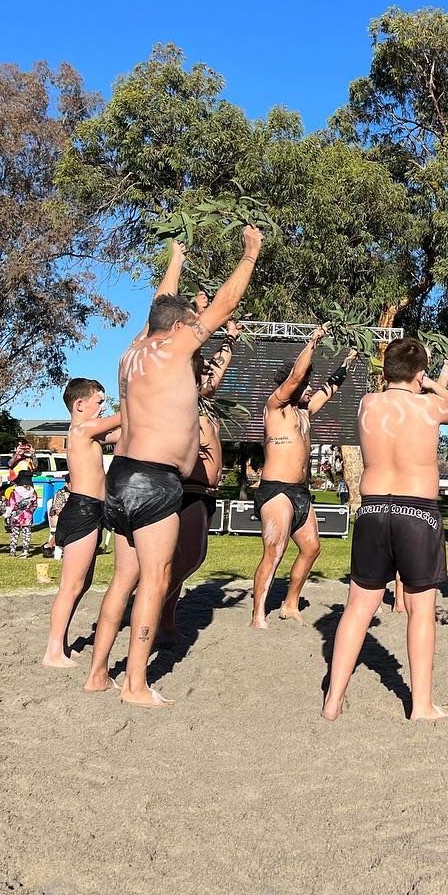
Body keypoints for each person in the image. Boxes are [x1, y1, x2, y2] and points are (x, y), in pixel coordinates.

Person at [84, 229, 263, 707]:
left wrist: (176, 258)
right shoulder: (174, 349)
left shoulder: (131, 353)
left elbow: (157, 304)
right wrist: (249, 255)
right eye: (190, 323)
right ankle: (135, 684)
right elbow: (222, 306)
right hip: (155, 478)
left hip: (120, 475)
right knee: (156, 578)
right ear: (181, 325)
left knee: (123, 578)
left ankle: (98, 672)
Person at [321, 338, 448, 722]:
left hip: (372, 509)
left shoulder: (368, 403)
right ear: (418, 375)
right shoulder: (429, 405)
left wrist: (413, 378)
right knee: (421, 610)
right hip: (416, 511)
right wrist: (432, 383)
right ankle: (421, 705)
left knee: (357, 608)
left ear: (385, 372)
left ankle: (333, 699)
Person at [250, 327, 357, 626]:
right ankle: (258, 613)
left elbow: (331, 388)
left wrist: (349, 359)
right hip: (276, 491)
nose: (310, 387)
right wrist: (313, 342)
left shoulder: (304, 412)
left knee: (311, 549)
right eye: (306, 382)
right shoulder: (275, 407)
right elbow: (297, 377)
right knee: (275, 550)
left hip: (300, 493)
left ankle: (290, 603)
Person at [162, 320, 239, 639]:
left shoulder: (204, 401)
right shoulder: (182, 401)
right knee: (189, 558)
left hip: (206, 492)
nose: (209, 371)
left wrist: (230, 342)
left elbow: (217, 371)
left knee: (182, 560)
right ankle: (152, 609)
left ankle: (164, 620)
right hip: (189, 491)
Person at [41, 378, 122, 668]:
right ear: (79, 405)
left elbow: (123, 432)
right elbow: (126, 417)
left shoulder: (91, 434)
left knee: (83, 583)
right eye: (99, 402)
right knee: (71, 585)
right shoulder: (82, 428)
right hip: (83, 510)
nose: (103, 408)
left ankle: (60, 643)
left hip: (94, 510)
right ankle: (52, 652)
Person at [4, 471, 38, 557]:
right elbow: (35, 505)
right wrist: (30, 512)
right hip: (27, 516)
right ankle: (25, 551)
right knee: (26, 533)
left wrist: (7, 515)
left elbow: (10, 505)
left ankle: (12, 550)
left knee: (15, 533)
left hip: (16, 516)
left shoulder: (15, 492)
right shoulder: (33, 492)